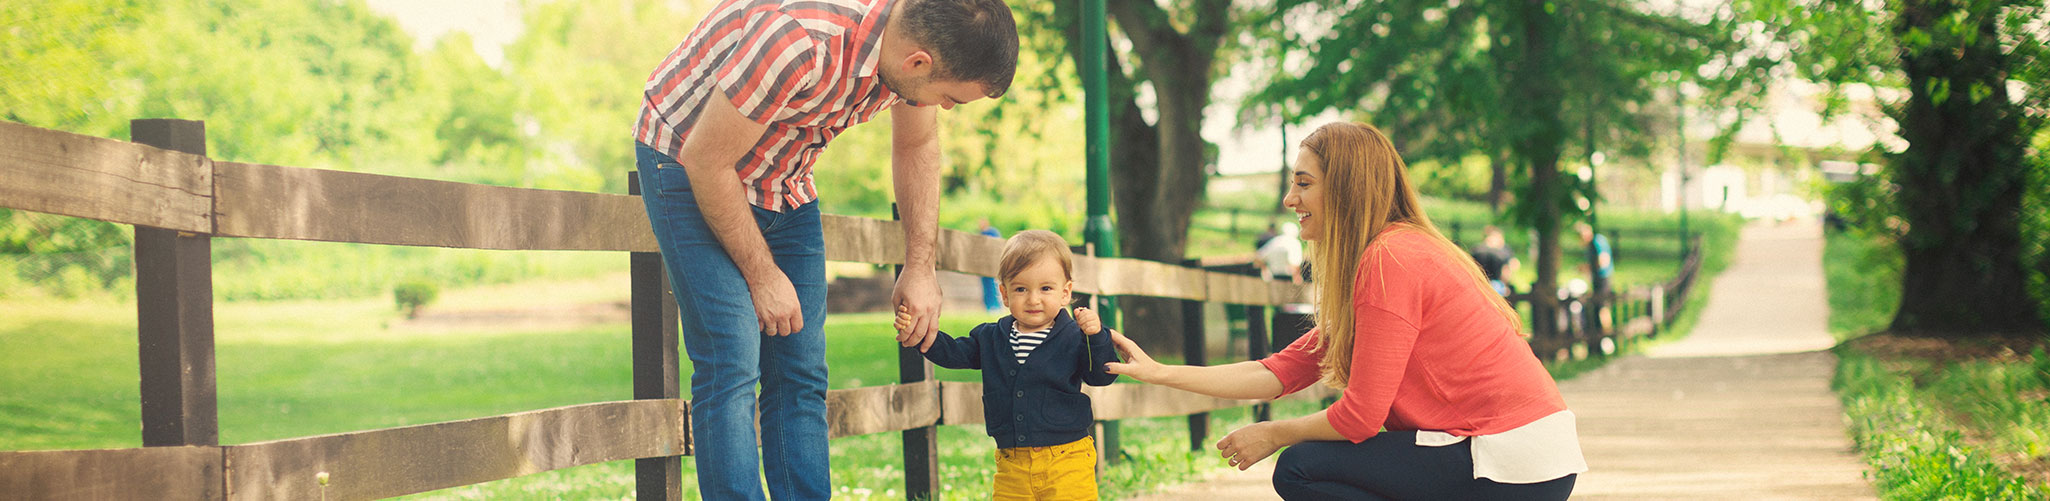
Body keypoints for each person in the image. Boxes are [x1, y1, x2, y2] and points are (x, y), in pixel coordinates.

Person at [631, 0, 1017, 497]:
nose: (945, 108)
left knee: (801, 368)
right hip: (687, 159)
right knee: (731, 356)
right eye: (950, 99)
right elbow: (706, 160)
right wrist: (763, 276)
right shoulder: (799, 40)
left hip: (784, 176)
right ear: (917, 62)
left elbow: (917, 147)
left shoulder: (906, 61)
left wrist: (921, 266)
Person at [1100, 122, 1584, 499]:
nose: (1291, 200)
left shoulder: (1390, 260)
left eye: (1304, 184)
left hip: (1505, 457)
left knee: (1301, 467)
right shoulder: (1391, 255)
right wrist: (1160, 373)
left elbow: (1358, 417)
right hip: (1515, 456)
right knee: (1314, 465)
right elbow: (1275, 372)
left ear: (1347, 187)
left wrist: (1273, 432)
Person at [897, 230, 1118, 500]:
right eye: (1021, 289)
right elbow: (954, 353)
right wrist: (921, 333)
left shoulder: (1075, 337)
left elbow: (1101, 376)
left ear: (1065, 292)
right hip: (1012, 464)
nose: (1033, 299)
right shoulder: (991, 337)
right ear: (1003, 293)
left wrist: (1096, 337)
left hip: (1066, 458)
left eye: (1046, 288)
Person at [1468, 225, 1520, 295]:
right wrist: (1505, 286)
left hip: (1479, 285)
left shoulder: (1476, 250)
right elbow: (1506, 271)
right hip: (1497, 285)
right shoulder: (1503, 252)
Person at [979, 218, 1004, 313]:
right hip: (984, 266)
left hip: (992, 265)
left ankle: (995, 307)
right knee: (986, 287)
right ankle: (989, 306)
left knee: (993, 286)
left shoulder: (992, 232)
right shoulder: (981, 234)